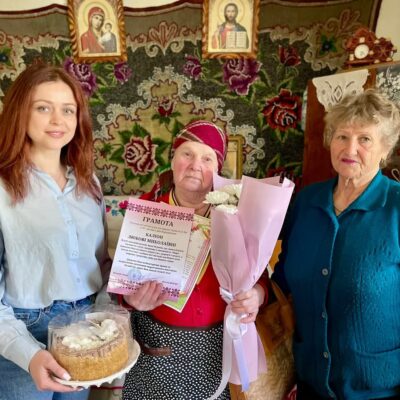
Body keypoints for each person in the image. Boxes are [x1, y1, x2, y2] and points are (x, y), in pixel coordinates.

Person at [121, 120, 268, 400]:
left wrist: (257, 296)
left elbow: (259, 277)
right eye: (186, 154)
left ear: (218, 169)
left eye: (207, 158)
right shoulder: (146, 209)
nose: (195, 165)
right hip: (156, 351)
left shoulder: (234, 215)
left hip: (217, 353)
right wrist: (130, 299)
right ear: (172, 160)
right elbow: (121, 282)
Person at [272, 89, 400, 400]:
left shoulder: (395, 207)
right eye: (342, 136)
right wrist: (256, 293)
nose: (350, 148)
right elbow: (283, 276)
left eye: (365, 139)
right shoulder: (307, 201)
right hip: (310, 382)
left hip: (378, 388)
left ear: (385, 148)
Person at [0, 63, 110, 400]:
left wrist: (107, 316)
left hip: (85, 329)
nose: (57, 120)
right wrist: (28, 354)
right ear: (20, 112)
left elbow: (101, 264)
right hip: (22, 331)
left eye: (68, 110)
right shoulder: (2, 188)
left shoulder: (90, 183)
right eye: (43, 108)